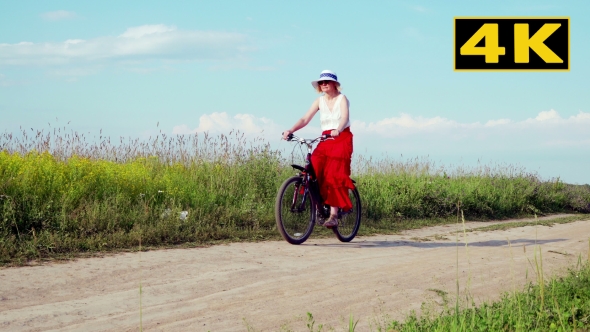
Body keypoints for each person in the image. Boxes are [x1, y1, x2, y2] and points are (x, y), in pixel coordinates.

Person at [282, 70, 354, 227]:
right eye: (321, 83)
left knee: (333, 174)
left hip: (341, 137)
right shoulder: (319, 101)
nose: (323, 85)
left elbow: (344, 118)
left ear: (335, 83)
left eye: (326, 82)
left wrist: (339, 129)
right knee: (314, 165)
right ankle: (319, 207)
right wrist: (291, 131)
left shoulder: (342, 98)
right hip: (326, 138)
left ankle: (334, 215)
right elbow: (305, 118)